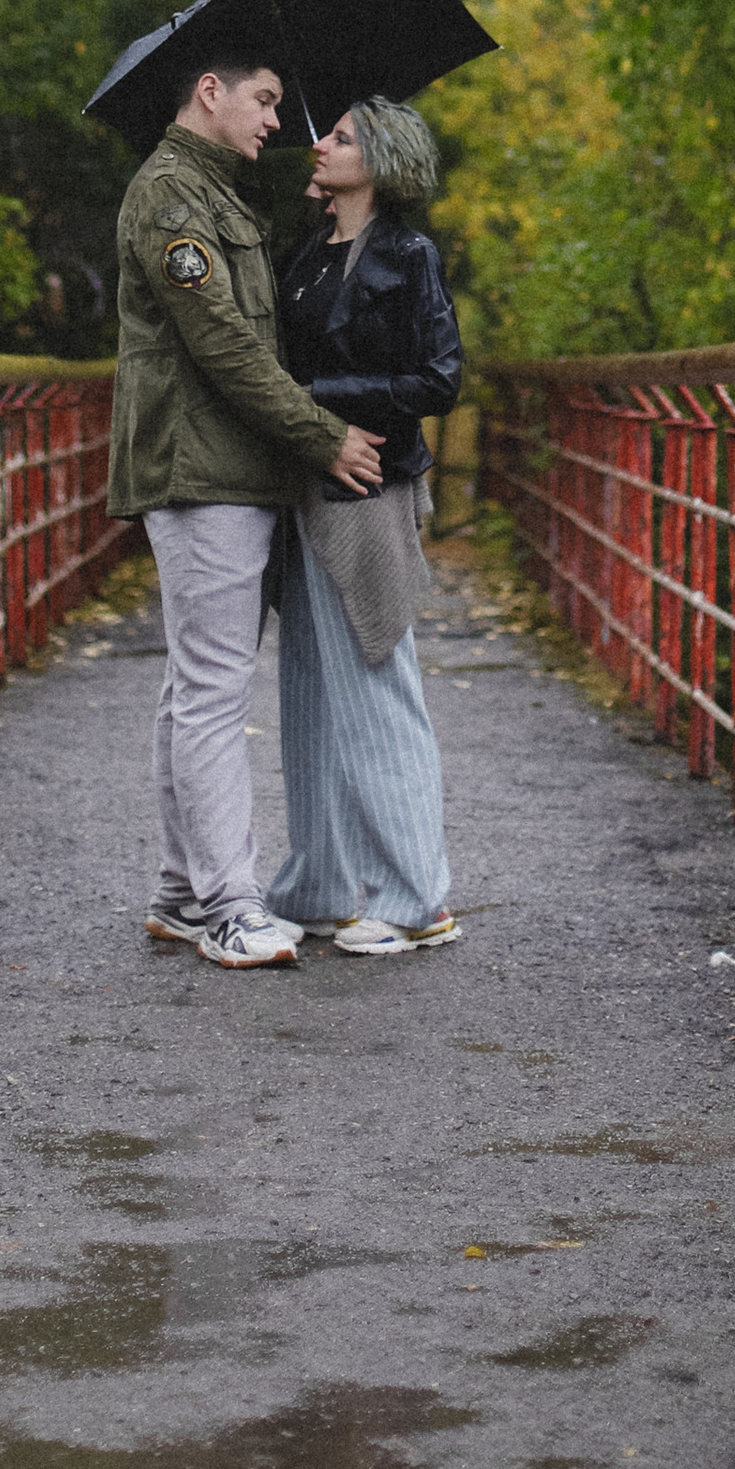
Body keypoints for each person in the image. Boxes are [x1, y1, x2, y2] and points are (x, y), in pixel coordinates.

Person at [108, 56, 384, 970]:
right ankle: (230, 905)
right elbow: (223, 342)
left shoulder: (215, 194)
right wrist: (321, 435)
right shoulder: (173, 197)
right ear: (209, 90)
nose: (278, 121)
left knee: (194, 686)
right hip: (202, 470)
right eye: (264, 101)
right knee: (215, 691)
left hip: (224, 466)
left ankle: (183, 894)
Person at [267, 95, 464, 956]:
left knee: (379, 685)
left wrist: (322, 405)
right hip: (305, 485)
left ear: (380, 161)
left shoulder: (409, 255)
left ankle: (418, 898)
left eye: (341, 138)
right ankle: (315, 888)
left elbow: (438, 379)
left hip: (371, 486)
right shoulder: (310, 254)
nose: (320, 143)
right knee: (309, 688)